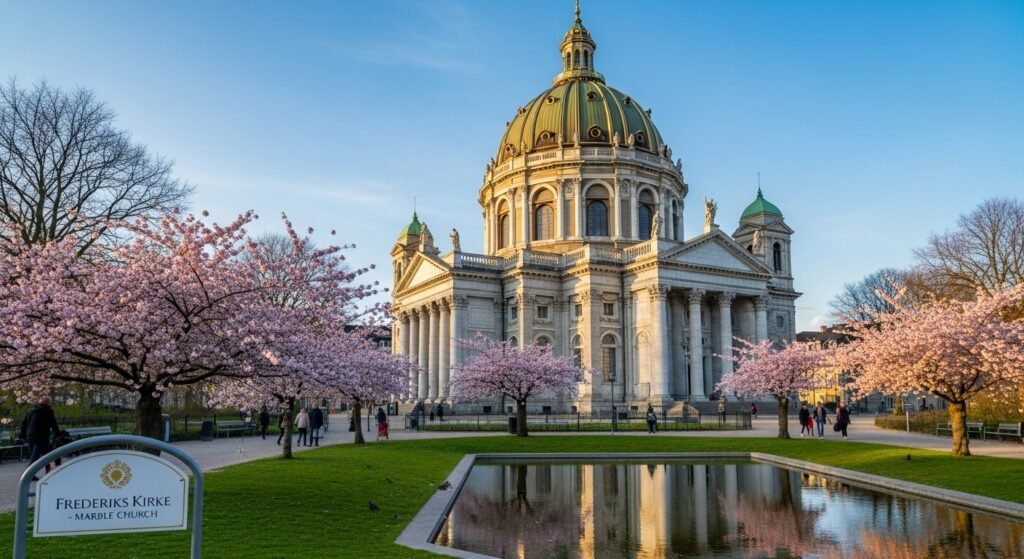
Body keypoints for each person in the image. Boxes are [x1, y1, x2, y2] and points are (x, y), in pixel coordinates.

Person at [19, 396, 61, 465]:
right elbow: (53, 424)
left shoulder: (31, 410)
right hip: (41, 438)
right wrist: (57, 434)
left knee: (37, 456)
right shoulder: (48, 411)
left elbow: (25, 424)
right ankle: (30, 474)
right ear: (48, 403)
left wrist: (23, 435)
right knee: (35, 458)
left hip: (30, 437)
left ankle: (48, 469)